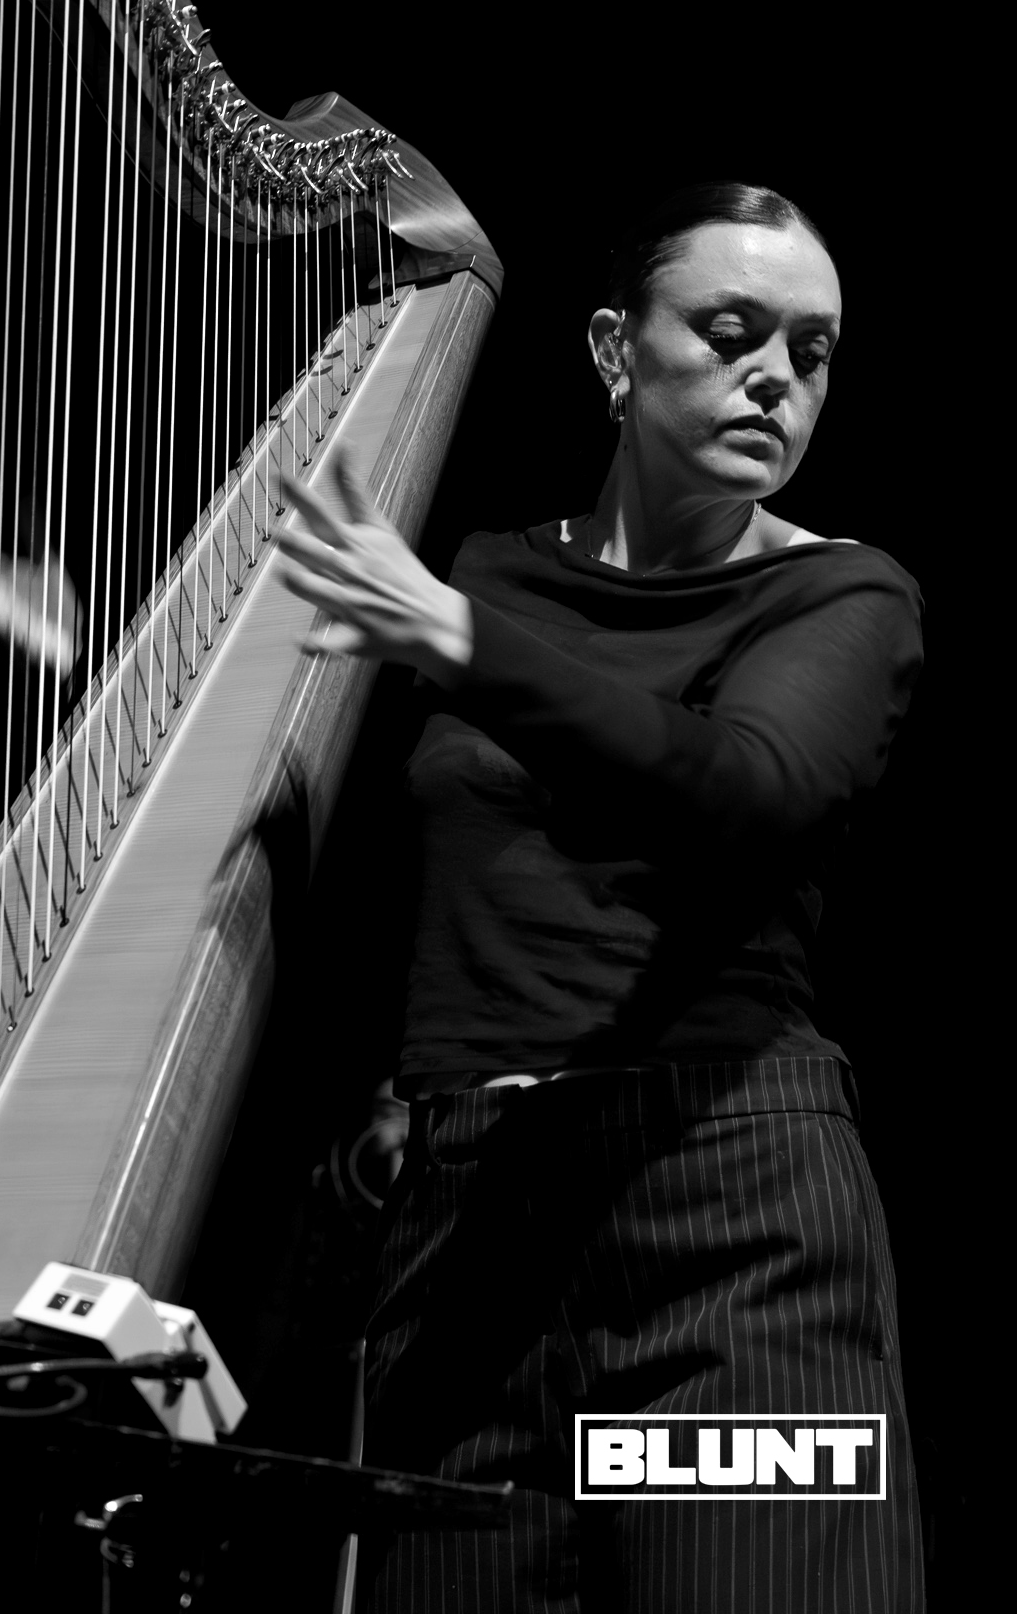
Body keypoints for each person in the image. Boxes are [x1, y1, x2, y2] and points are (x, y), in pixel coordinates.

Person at [277, 183, 925, 1613]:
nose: (776, 377)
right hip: (469, 1226)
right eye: (733, 332)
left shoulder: (840, 595)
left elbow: (743, 790)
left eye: (812, 352)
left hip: (719, 1221)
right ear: (614, 351)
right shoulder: (490, 573)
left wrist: (453, 637)